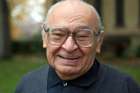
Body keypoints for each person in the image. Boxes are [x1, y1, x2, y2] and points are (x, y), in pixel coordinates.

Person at [15, 0, 140, 93]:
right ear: (45, 38)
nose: (69, 47)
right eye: (58, 34)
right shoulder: (27, 85)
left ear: (99, 41)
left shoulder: (125, 87)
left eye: (82, 36)